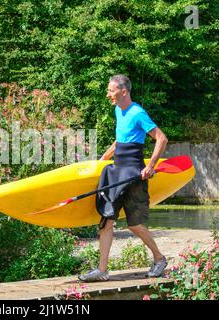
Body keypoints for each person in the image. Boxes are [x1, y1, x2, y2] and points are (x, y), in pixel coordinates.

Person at [79, 74, 168, 282]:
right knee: (106, 221)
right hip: (116, 172)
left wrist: (150, 166)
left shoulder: (138, 113)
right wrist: (103, 158)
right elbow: (120, 140)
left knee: (134, 224)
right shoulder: (118, 110)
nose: (108, 94)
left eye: (111, 90)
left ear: (123, 91)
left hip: (134, 174)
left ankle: (159, 258)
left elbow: (161, 138)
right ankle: (102, 270)